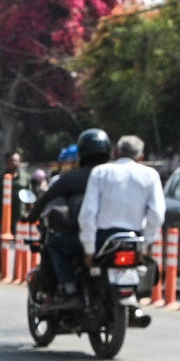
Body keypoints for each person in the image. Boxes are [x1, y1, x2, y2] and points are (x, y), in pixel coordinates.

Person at [79, 133, 166, 328]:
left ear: (116, 152)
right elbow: (157, 214)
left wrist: (89, 249)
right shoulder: (150, 175)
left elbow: (88, 213)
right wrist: (145, 243)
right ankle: (134, 304)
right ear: (140, 157)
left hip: (103, 238)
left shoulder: (100, 172)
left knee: (82, 268)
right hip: (134, 239)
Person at [34, 127, 113, 296]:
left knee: (54, 245)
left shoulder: (72, 178)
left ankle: (69, 288)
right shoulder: (116, 177)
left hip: (86, 237)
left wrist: (30, 216)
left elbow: (45, 200)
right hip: (115, 237)